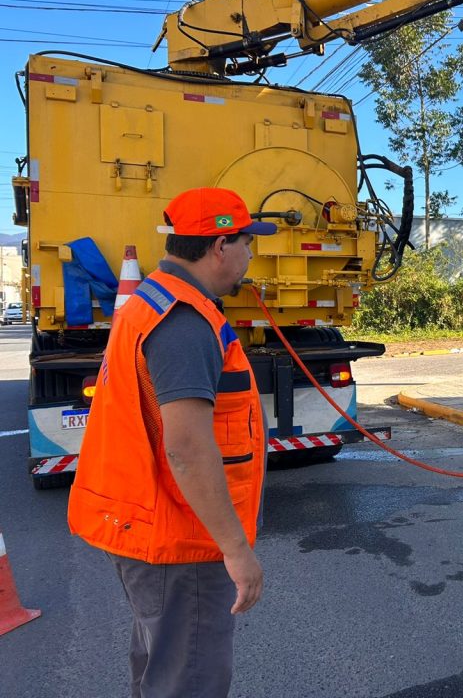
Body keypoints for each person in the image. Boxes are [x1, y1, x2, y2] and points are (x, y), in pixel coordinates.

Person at [68, 187, 277, 698]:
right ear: (220, 245)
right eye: (249, 242)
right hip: (181, 542)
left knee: (161, 669)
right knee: (189, 681)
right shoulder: (183, 322)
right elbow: (186, 447)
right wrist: (236, 551)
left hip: (147, 527)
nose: (252, 256)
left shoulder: (153, 302)